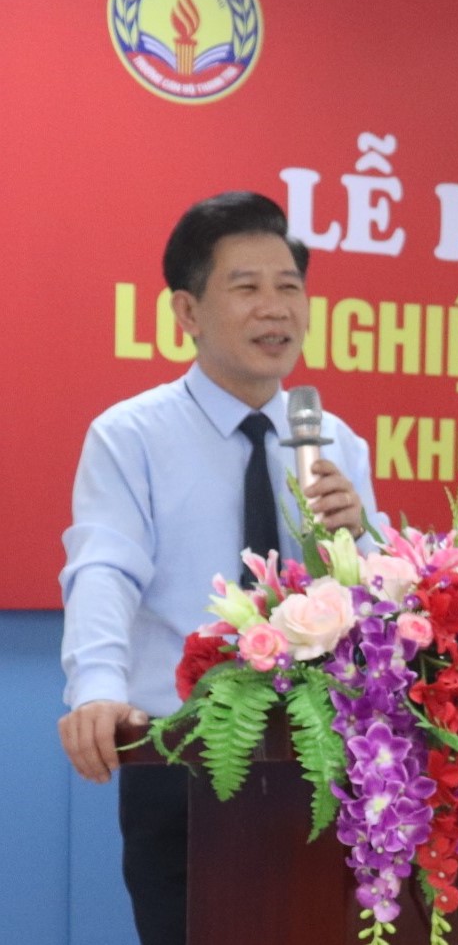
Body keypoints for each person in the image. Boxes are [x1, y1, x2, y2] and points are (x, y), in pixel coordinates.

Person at [57, 192, 382, 945]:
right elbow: (104, 566)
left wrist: (360, 541)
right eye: (247, 287)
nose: (276, 308)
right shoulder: (131, 435)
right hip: (182, 756)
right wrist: (98, 689)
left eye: (289, 286)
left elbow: (372, 601)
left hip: (319, 762)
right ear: (188, 310)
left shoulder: (335, 442)